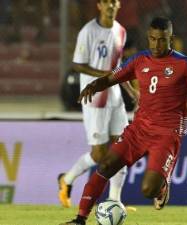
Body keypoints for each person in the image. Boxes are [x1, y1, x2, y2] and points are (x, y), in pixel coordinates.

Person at [60, 17, 187, 225]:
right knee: (105, 165)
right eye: (152, 39)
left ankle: (162, 185)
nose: (156, 44)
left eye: (161, 40)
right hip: (139, 129)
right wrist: (94, 86)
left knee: (148, 190)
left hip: (167, 132)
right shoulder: (139, 60)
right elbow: (111, 78)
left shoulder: (184, 64)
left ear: (171, 38)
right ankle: (80, 219)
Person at [58, 0, 138, 209]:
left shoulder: (121, 31)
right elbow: (77, 64)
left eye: (114, 1)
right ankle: (66, 179)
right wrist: (105, 76)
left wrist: (131, 91)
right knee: (99, 155)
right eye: (106, 2)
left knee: (121, 148)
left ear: (119, 5)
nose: (111, 5)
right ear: (99, 6)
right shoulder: (88, 31)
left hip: (115, 97)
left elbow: (119, 68)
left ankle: (114, 200)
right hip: (95, 98)